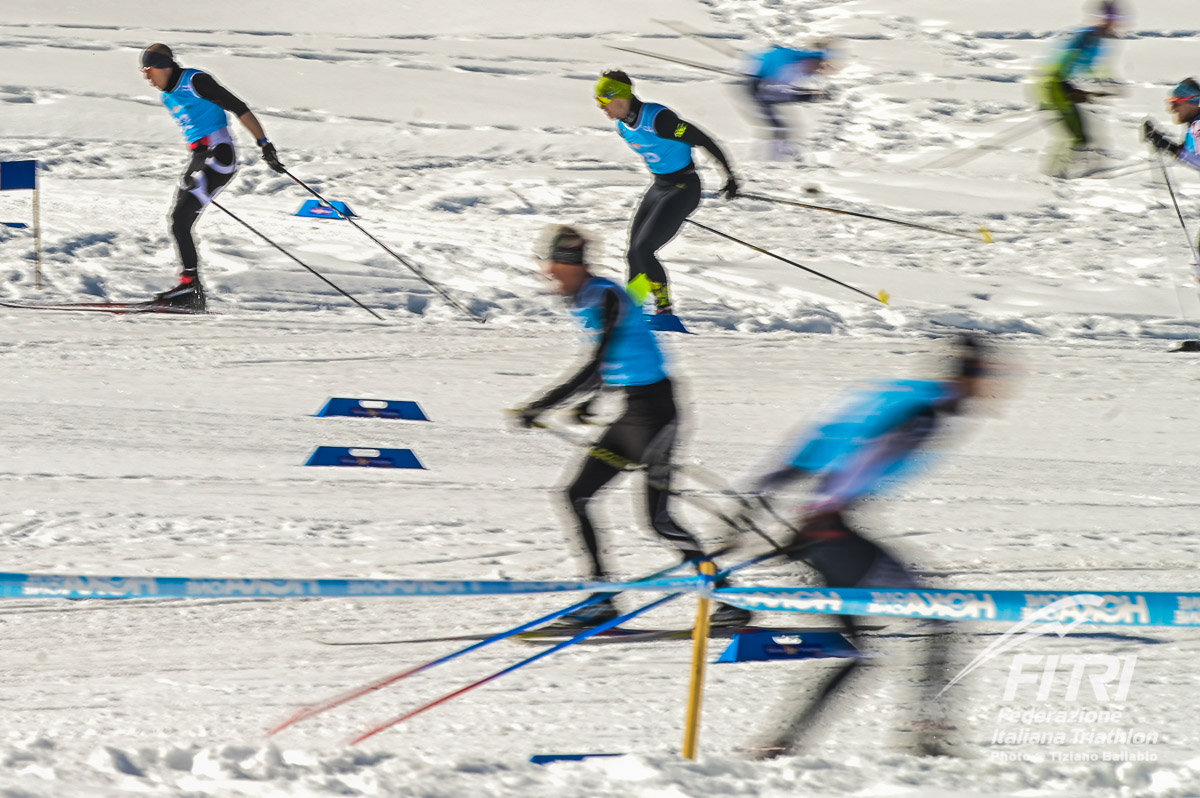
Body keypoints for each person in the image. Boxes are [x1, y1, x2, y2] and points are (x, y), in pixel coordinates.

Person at [743, 335, 993, 759]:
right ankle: (928, 736)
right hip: (832, 532)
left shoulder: (897, 394)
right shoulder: (924, 413)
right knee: (942, 616)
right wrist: (823, 508)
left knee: (858, 651)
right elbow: (866, 457)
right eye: (988, 376)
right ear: (971, 375)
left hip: (816, 531)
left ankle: (779, 744)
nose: (991, 388)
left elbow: (824, 434)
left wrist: (771, 488)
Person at [514, 226, 751, 628]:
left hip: (657, 415)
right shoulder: (586, 297)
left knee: (657, 520)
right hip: (631, 412)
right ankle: (601, 599)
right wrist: (592, 402)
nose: (548, 275)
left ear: (570, 265)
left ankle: (727, 601)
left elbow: (596, 365)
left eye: (553, 268)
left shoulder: (603, 295)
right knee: (575, 495)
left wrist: (543, 405)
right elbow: (617, 357)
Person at [140, 43, 285, 311]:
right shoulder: (167, 95)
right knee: (178, 221)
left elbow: (238, 107)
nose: (146, 77)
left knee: (181, 218)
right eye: (143, 72)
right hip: (200, 157)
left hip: (218, 156)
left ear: (164, 67)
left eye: (148, 70)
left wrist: (264, 143)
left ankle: (190, 289)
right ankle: (189, 286)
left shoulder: (195, 80)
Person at [595, 70, 740, 317]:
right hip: (660, 186)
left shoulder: (659, 120)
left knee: (644, 249)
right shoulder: (622, 126)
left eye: (603, 102)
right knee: (633, 251)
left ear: (619, 98)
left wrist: (729, 176)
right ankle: (634, 307)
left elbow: (703, 139)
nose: (602, 109)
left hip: (684, 188)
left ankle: (664, 309)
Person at [1037, 2, 1123, 178]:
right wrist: (1069, 88)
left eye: (1115, 18)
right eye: (1109, 18)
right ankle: (1054, 175)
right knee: (1077, 136)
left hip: (1058, 85)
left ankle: (1058, 172)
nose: (1112, 22)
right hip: (1054, 85)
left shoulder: (1097, 38)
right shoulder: (1087, 37)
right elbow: (1066, 61)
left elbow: (1090, 68)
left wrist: (1093, 89)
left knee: (1079, 134)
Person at [742, 44, 832, 161]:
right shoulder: (793, 67)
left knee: (781, 129)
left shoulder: (800, 66)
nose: (820, 69)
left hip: (763, 89)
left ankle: (773, 159)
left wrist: (810, 93)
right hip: (757, 89)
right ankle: (770, 162)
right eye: (819, 64)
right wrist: (809, 96)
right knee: (779, 129)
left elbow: (786, 89)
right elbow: (777, 91)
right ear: (811, 60)